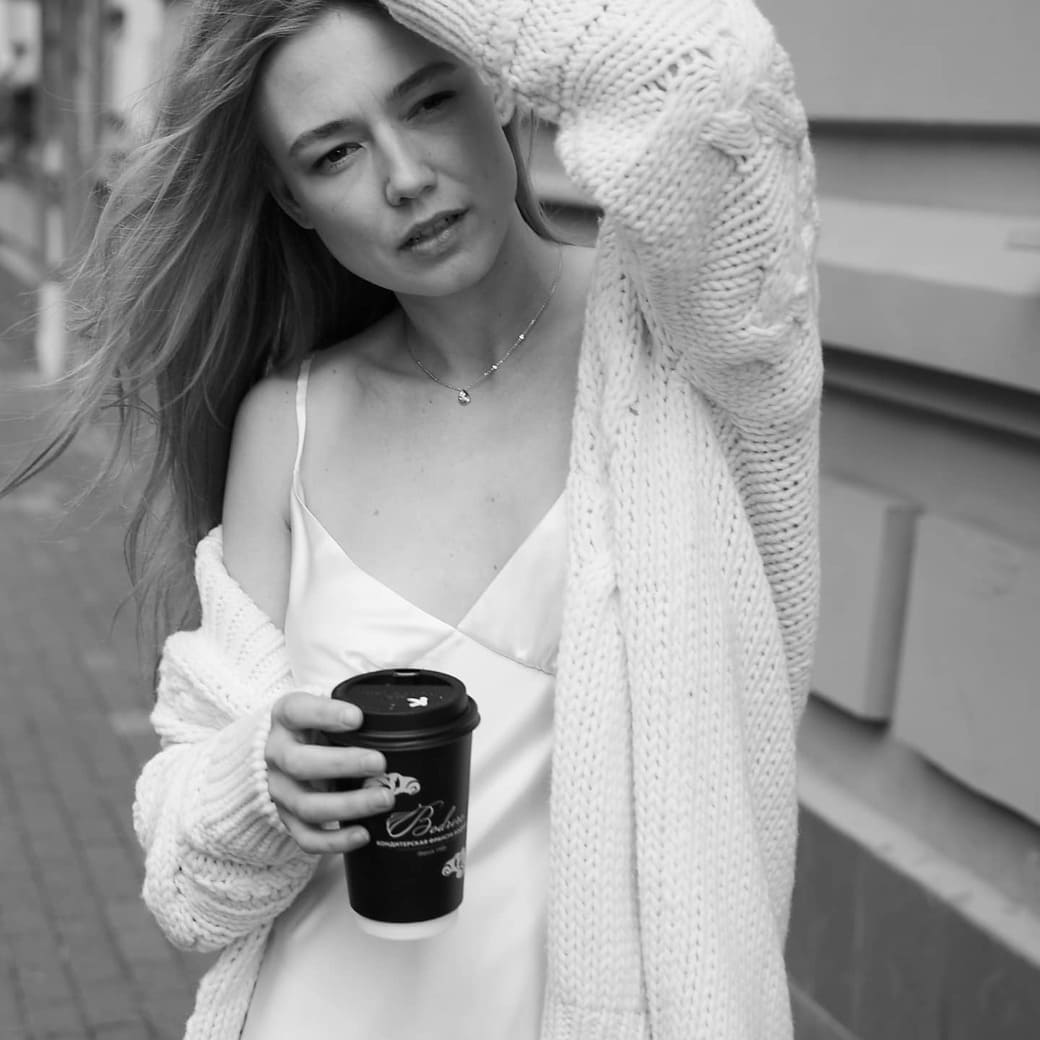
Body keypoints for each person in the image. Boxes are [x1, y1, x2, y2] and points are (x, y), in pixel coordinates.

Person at [5, 0, 822, 1036]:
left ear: (500, 84)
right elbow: (186, 885)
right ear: (292, 198)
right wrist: (261, 783)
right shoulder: (289, 421)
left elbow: (715, 73)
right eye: (334, 153)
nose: (403, 176)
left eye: (429, 100)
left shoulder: (687, 345)